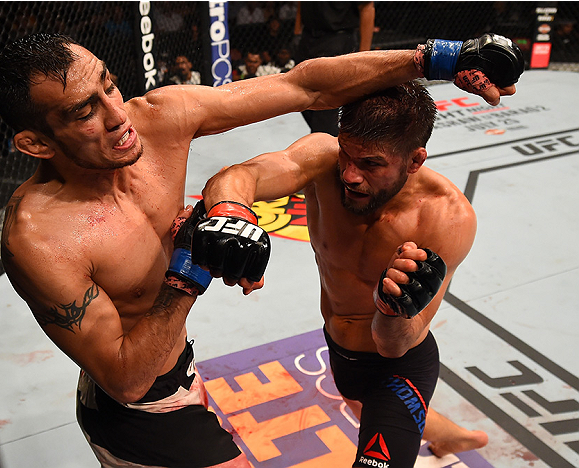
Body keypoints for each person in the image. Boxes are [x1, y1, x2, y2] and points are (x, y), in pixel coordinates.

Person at [0, 31, 521, 468]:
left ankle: (443, 434)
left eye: (110, 85)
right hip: (138, 409)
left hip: (179, 363)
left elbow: (304, 86)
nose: (117, 114)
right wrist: (193, 261)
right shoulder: (39, 239)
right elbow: (126, 378)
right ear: (36, 143)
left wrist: (438, 58)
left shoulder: (158, 116)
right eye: (84, 112)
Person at [197, 80, 503, 467]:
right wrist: (231, 211)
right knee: (363, 405)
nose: (350, 175)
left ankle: (449, 432)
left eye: (371, 164)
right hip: (339, 348)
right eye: (346, 155)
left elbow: (397, 344)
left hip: (398, 362)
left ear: (414, 161)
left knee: (382, 416)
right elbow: (243, 176)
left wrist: (392, 308)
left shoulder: (445, 218)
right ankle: (460, 437)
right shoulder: (323, 160)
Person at [294, 1, 375, 136]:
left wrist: (363, 55)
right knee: (300, 96)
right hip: (307, 38)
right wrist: (297, 32)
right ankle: (331, 139)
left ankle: (326, 146)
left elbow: (367, 8)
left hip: (336, 39)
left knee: (325, 108)